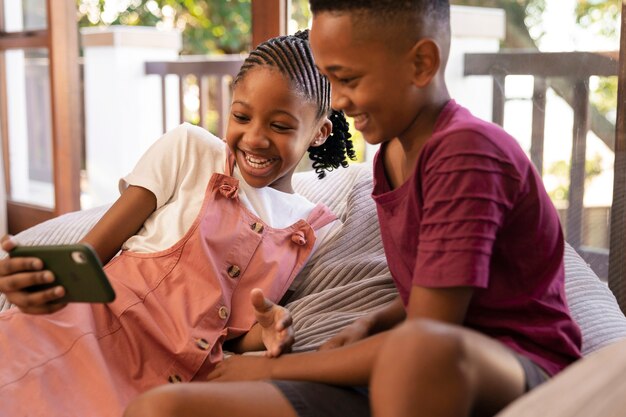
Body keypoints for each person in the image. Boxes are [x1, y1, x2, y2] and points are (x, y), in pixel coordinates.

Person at [122, 1, 582, 417]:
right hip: (410, 369)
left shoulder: (468, 151)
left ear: (421, 63)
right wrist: (373, 321)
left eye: (348, 79)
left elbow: (428, 334)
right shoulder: (390, 158)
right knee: (163, 408)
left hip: (513, 368)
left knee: (416, 353)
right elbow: (435, 293)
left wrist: (269, 371)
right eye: (329, 78)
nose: (338, 101)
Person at [0, 29, 355, 417]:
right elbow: (90, 252)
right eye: (241, 116)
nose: (254, 138)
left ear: (320, 132)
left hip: (173, 383)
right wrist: (39, 274)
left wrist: (270, 332)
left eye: (281, 126)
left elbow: (230, 334)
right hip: (87, 337)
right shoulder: (190, 150)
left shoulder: (309, 229)